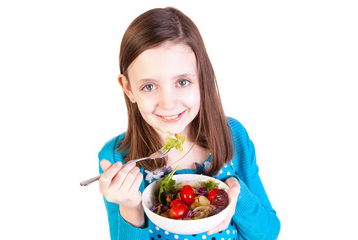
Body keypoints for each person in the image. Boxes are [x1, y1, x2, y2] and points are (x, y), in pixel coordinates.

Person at [98, 7, 280, 240]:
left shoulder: (232, 135)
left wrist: (236, 190)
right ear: (128, 88)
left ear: (202, 78)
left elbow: (268, 233)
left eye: (182, 82)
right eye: (149, 86)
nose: (169, 104)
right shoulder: (117, 157)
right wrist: (131, 207)